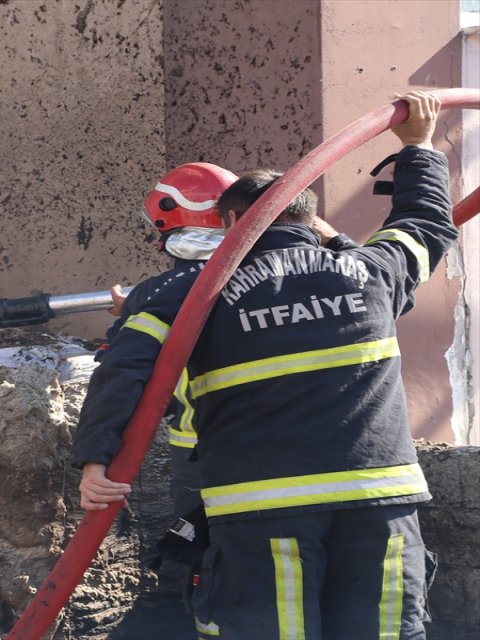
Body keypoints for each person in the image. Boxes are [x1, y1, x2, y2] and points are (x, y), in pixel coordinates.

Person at [71, 91, 454, 639]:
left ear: (229, 221)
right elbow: (426, 223)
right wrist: (418, 147)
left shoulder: (184, 294)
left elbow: (121, 371)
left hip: (261, 509)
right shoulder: (373, 272)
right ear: (312, 218)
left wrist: (95, 460)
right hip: (378, 503)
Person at [101, 164, 359, 518]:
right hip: (327, 453)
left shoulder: (162, 293)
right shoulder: (308, 275)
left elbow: (118, 369)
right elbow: (387, 273)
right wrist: (337, 241)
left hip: (206, 450)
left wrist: (130, 314)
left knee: (208, 555)